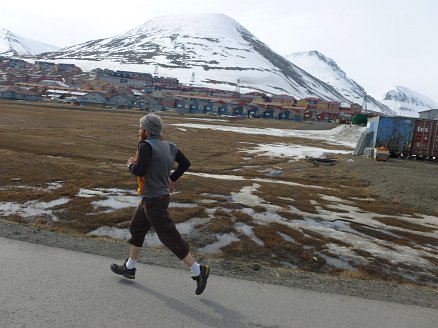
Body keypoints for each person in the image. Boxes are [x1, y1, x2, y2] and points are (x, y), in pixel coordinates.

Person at [110, 113, 209, 295]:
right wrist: (171, 178)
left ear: (147, 131)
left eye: (140, 127)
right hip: (153, 198)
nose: (139, 130)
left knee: (168, 235)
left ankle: (198, 270)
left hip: (154, 200)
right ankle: (130, 267)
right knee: (137, 227)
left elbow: (140, 169)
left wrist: (130, 165)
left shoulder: (145, 145)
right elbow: (185, 163)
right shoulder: (170, 146)